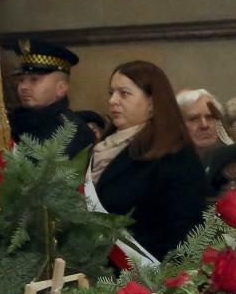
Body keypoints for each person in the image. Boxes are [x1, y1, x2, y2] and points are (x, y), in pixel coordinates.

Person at [86, 60, 208, 263]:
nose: (113, 101)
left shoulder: (175, 155)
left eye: (124, 93)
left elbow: (185, 232)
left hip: (145, 277)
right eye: (111, 93)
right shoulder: (101, 148)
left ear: (152, 103)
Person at [9, 38, 93, 158]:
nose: (23, 87)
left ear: (61, 88)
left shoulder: (72, 132)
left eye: (34, 80)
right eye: (21, 80)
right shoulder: (11, 123)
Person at [176, 88, 232, 160]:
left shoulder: (234, 159)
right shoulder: (167, 166)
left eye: (210, 117)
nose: (204, 125)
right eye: (194, 119)